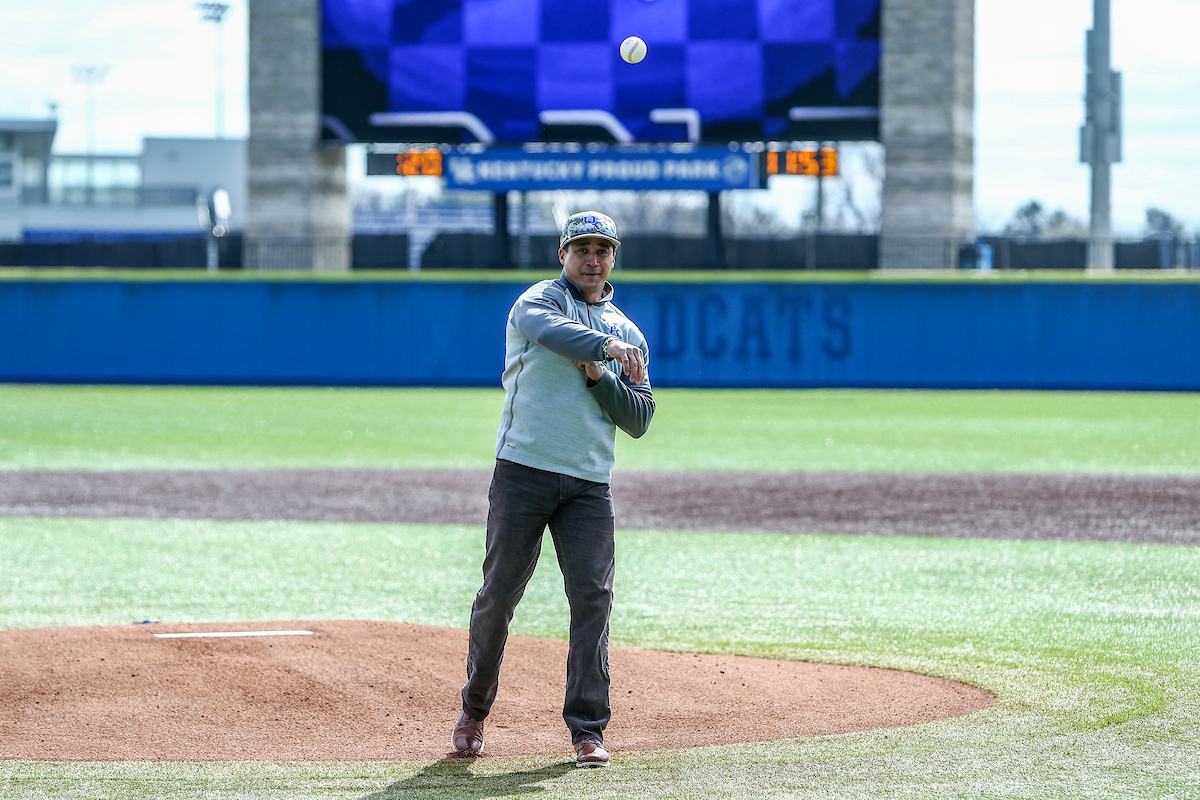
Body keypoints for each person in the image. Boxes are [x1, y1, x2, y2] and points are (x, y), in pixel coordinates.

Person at [451, 211, 654, 768]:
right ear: (562, 255)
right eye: (581, 248)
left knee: (593, 598)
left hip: (589, 485)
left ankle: (588, 729)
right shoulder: (537, 302)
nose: (593, 259)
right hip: (524, 471)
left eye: (603, 250)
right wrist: (604, 351)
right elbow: (550, 333)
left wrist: (598, 376)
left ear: (613, 259)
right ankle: (473, 711)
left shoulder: (629, 329)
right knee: (499, 594)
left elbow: (639, 418)